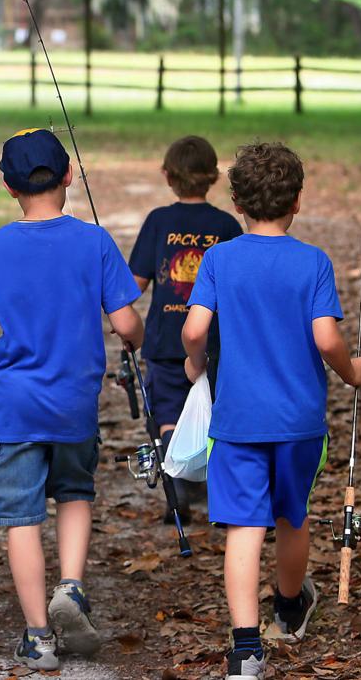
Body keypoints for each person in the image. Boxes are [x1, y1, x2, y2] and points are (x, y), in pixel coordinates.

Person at [0, 128, 144, 671]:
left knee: (21, 516)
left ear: (7, 186)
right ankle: (73, 586)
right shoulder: (95, 242)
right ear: (67, 177)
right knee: (75, 491)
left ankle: (38, 635)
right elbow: (127, 322)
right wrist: (138, 341)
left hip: (14, 405)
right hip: (75, 402)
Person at [181, 142, 361, 679]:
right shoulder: (312, 262)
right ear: (298, 200)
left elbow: (194, 329)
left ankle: (245, 650)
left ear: (236, 200)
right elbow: (327, 339)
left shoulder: (219, 259)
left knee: (244, 526)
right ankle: (289, 607)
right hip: (298, 422)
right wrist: (353, 372)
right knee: (292, 515)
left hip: (237, 421)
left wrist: (197, 365)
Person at [127, 136, 243, 522]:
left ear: (166, 175)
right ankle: (218, 498)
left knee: (166, 416)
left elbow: (136, 284)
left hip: (163, 341)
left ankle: (177, 501)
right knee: (218, 415)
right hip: (215, 343)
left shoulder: (159, 222)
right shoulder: (226, 225)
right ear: (213, 177)